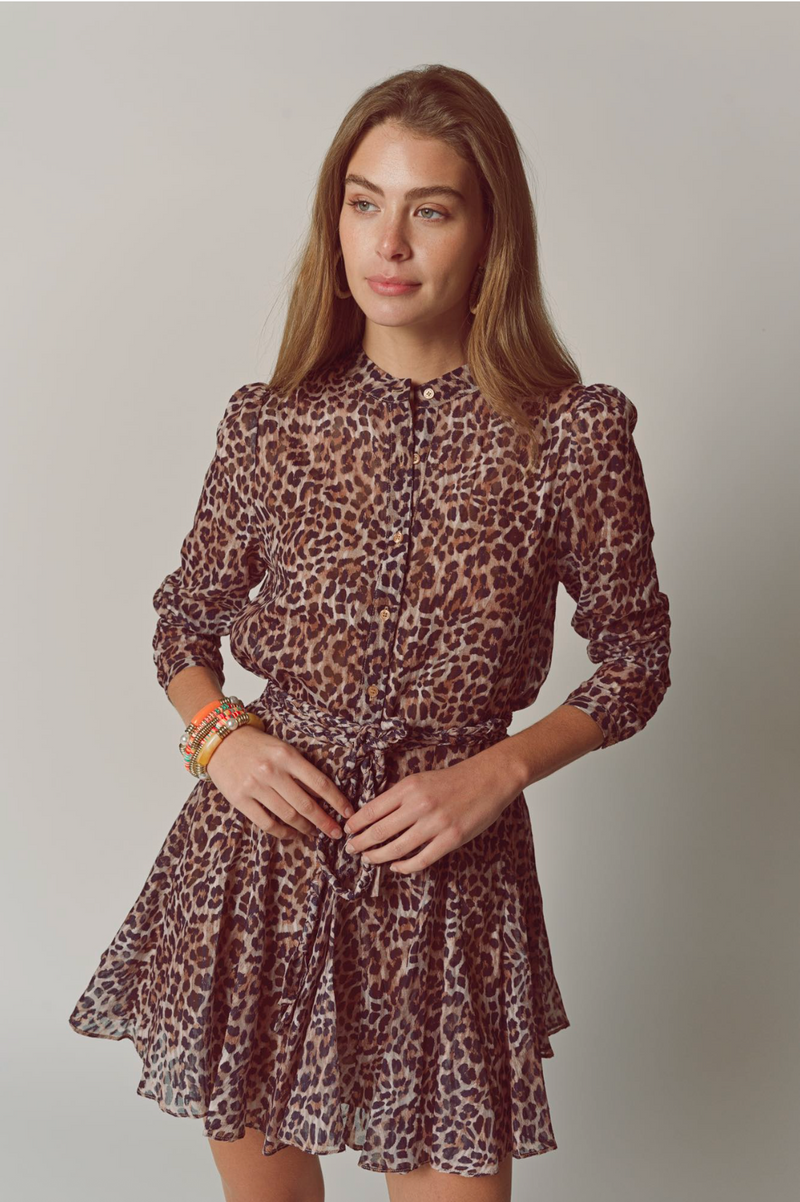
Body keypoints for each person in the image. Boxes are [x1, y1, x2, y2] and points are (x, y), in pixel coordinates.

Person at [68, 64, 671, 1202]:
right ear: (333, 221)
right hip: (258, 870)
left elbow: (637, 658)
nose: (387, 243)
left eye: (428, 210)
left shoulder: (571, 436)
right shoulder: (270, 423)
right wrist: (221, 741)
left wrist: (497, 771)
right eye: (362, 203)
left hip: (448, 878)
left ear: (489, 234)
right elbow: (182, 620)